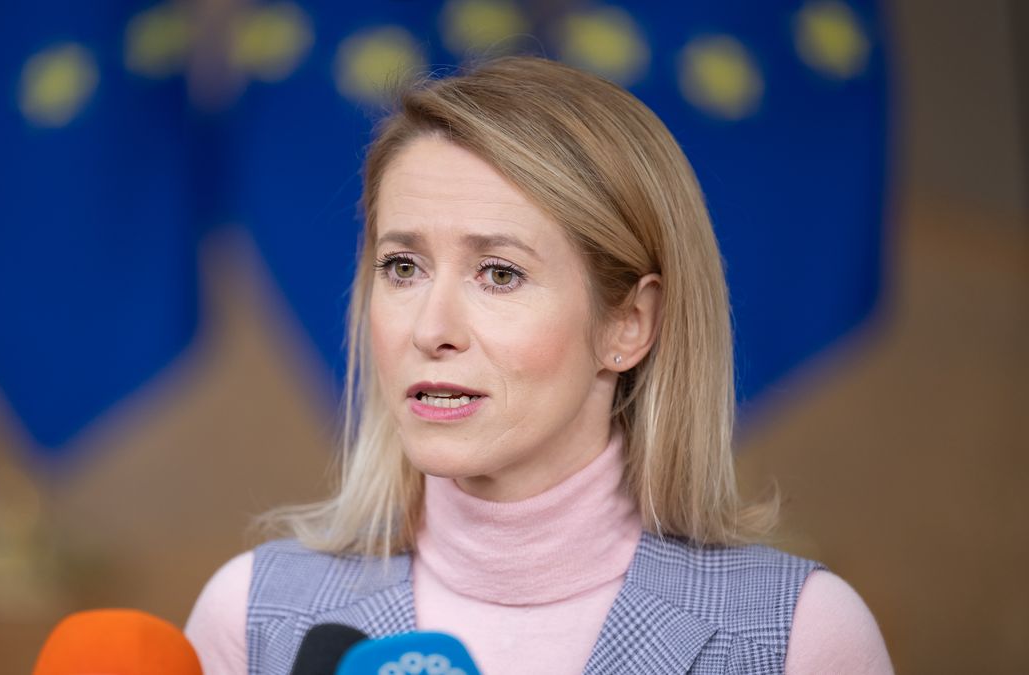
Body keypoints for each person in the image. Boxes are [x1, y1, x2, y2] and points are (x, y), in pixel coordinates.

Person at [185, 56, 892, 674]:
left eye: (499, 273)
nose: (431, 329)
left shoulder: (793, 635)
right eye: (402, 266)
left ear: (629, 323)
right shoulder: (254, 618)